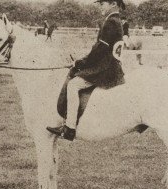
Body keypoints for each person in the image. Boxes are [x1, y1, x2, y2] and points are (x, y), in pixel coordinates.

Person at [47, 0, 126, 141]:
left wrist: (81, 63)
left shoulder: (111, 22)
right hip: (108, 65)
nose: (100, 6)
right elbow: (99, 48)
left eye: (102, 4)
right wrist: (82, 61)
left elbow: (100, 50)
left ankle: (70, 128)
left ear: (113, 3)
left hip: (105, 69)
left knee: (73, 85)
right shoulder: (115, 20)